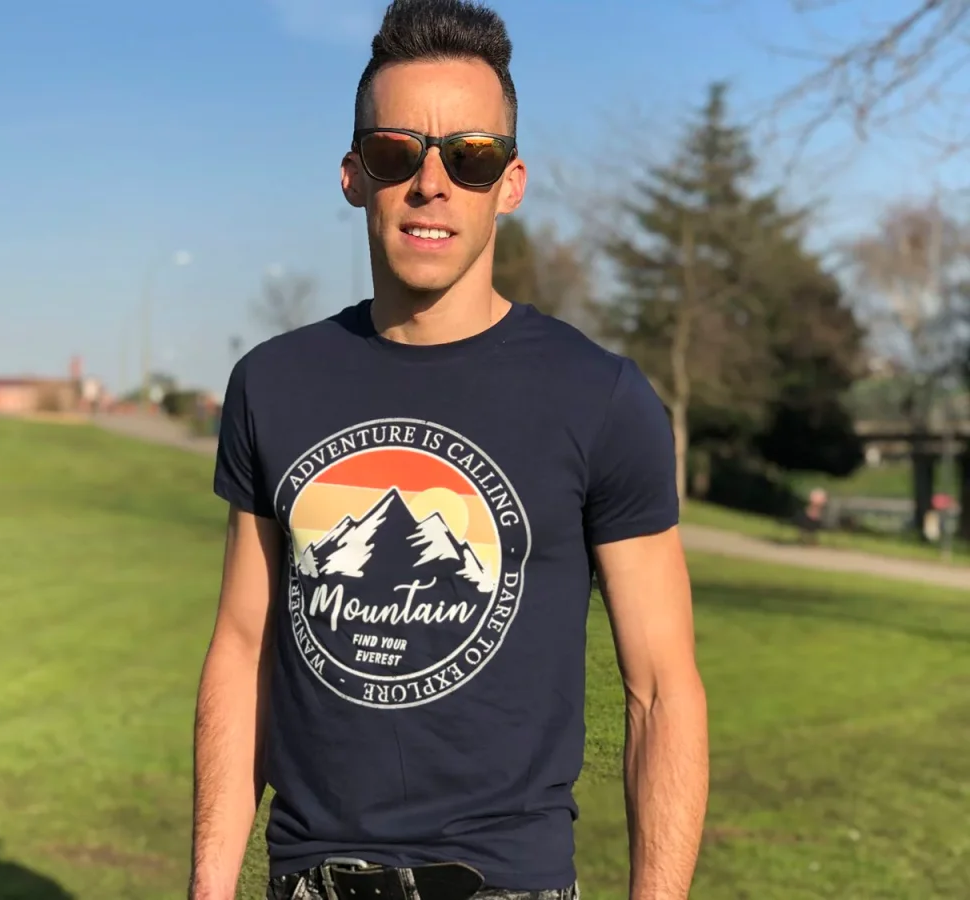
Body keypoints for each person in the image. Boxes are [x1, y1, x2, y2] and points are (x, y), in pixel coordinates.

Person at [190, 2, 710, 899]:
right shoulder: (271, 385)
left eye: (469, 156)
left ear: (510, 182)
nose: (431, 184)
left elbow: (662, 689)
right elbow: (242, 649)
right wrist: (209, 886)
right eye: (397, 152)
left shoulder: (601, 398)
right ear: (353, 176)